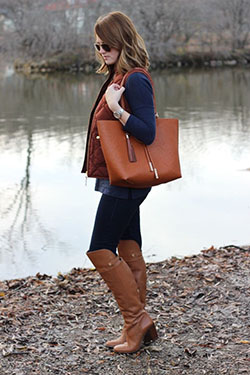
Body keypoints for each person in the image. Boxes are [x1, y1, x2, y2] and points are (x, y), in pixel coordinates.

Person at [81, 11, 158, 354]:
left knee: (100, 247)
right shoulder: (119, 75)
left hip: (127, 180)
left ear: (122, 40)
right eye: (97, 46)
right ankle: (135, 327)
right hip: (119, 178)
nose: (102, 50)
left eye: (107, 44)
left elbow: (148, 131)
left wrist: (116, 109)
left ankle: (136, 320)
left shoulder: (135, 80)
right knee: (129, 246)